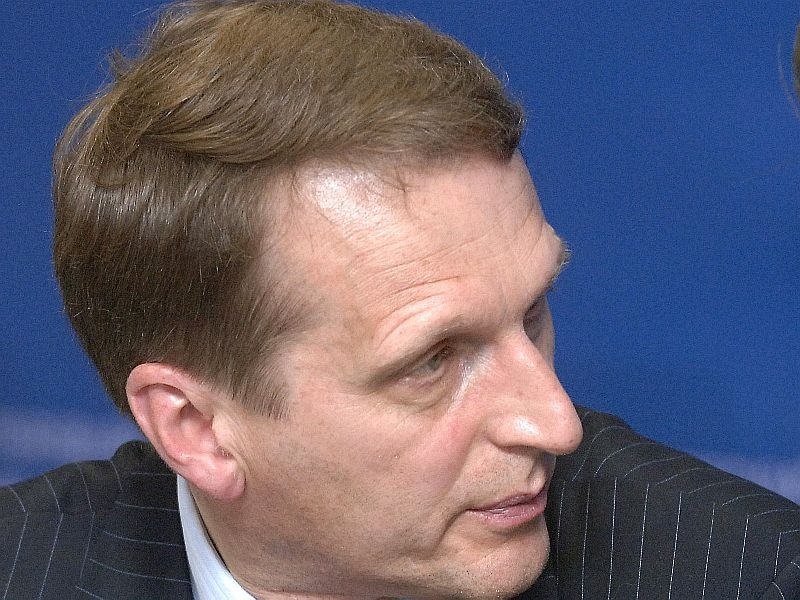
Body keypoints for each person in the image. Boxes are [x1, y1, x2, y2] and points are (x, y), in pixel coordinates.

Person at [1, 1, 798, 598]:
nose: (554, 423)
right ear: (197, 430)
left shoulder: (744, 574)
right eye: (432, 362)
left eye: (532, 315)